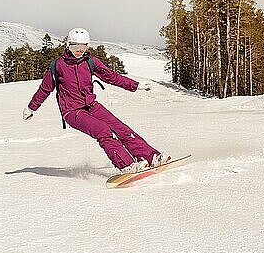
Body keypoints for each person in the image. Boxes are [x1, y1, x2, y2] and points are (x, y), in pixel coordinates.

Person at [23, 27, 168, 174]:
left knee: (121, 129)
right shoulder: (58, 66)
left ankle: (151, 157)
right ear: (68, 45)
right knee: (102, 131)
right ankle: (127, 165)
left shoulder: (91, 62)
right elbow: (44, 89)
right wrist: (31, 108)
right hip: (72, 112)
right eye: (75, 46)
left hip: (92, 106)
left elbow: (111, 76)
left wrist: (135, 85)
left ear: (87, 46)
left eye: (83, 46)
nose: (79, 50)